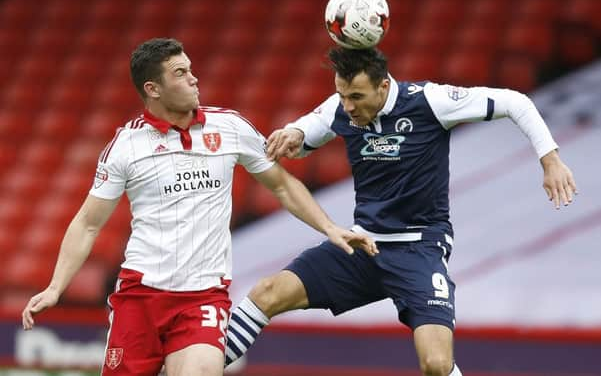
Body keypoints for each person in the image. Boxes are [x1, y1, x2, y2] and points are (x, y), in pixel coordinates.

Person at [21, 38, 377, 376]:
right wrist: (55, 287)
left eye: (190, 69)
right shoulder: (126, 147)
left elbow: (282, 186)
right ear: (153, 89)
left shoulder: (229, 127)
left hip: (203, 297)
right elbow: (87, 224)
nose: (193, 78)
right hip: (140, 298)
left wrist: (329, 227)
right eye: (179, 73)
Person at [224, 47, 578, 376]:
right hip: (362, 246)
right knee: (266, 293)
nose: (347, 106)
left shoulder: (430, 101)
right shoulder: (341, 107)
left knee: (436, 364)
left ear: (383, 86)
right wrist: (293, 134)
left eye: (356, 97)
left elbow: (514, 101)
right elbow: (304, 136)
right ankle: (196, 367)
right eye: (342, 95)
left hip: (419, 249)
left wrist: (550, 160)